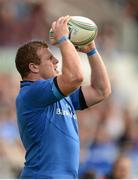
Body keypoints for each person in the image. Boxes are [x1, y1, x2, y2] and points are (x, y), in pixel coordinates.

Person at [15, 15, 111, 179]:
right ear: (34, 67)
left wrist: (91, 50)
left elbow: (101, 90)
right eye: (50, 59)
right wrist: (63, 40)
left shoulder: (59, 94)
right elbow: (75, 77)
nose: (56, 61)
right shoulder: (31, 93)